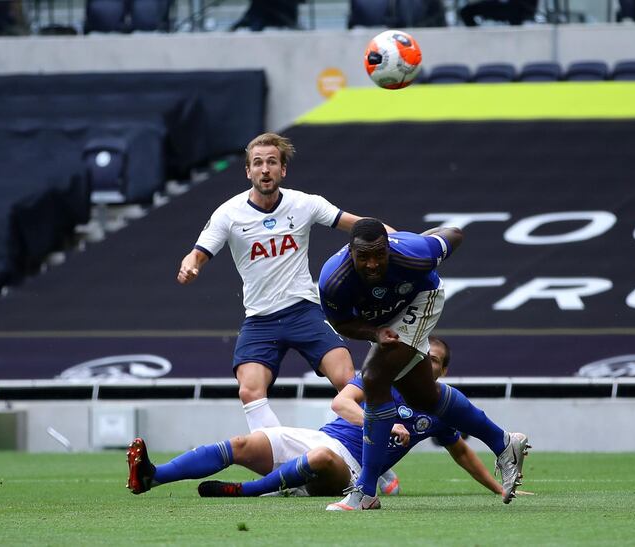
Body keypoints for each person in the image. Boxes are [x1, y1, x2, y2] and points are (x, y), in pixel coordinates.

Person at [177, 133, 388, 432]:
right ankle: (283, 463)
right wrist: (189, 267)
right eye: (258, 163)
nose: (265, 169)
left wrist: (405, 240)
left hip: (304, 310)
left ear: (283, 170)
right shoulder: (229, 213)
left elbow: (363, 226)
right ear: (248, 171)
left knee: (347, 380)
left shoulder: (305, 203)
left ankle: (374, 466)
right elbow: (197, 253)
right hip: (260, 319)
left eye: (272, 162)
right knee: (249, 391)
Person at [318, 218, 530, 510]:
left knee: (374, 377)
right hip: (381, 322)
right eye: (363, 256)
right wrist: (374, 332)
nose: (372, 264)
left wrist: (421, 239)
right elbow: (342, 323)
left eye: (379, 254)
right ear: (349, 252)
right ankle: (504, 442)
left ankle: (365, 491)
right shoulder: (333, 280)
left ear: (390, 249)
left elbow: (455, 234)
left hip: (422, 299)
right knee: (424, 397)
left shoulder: (415, 253)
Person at [125, 336, 504, 499]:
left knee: (323, 460)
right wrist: (382, 422)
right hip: (318, 438)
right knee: (241, 444)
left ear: (444, 371)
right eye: (421, 354)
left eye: (433, 360)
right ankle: (151, 477)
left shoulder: (439, 407)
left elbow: (462, 453)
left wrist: (500, 488)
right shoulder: (379, 377)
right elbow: (341, 404)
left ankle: (247, 492)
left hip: (352, 468)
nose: (424, 362)